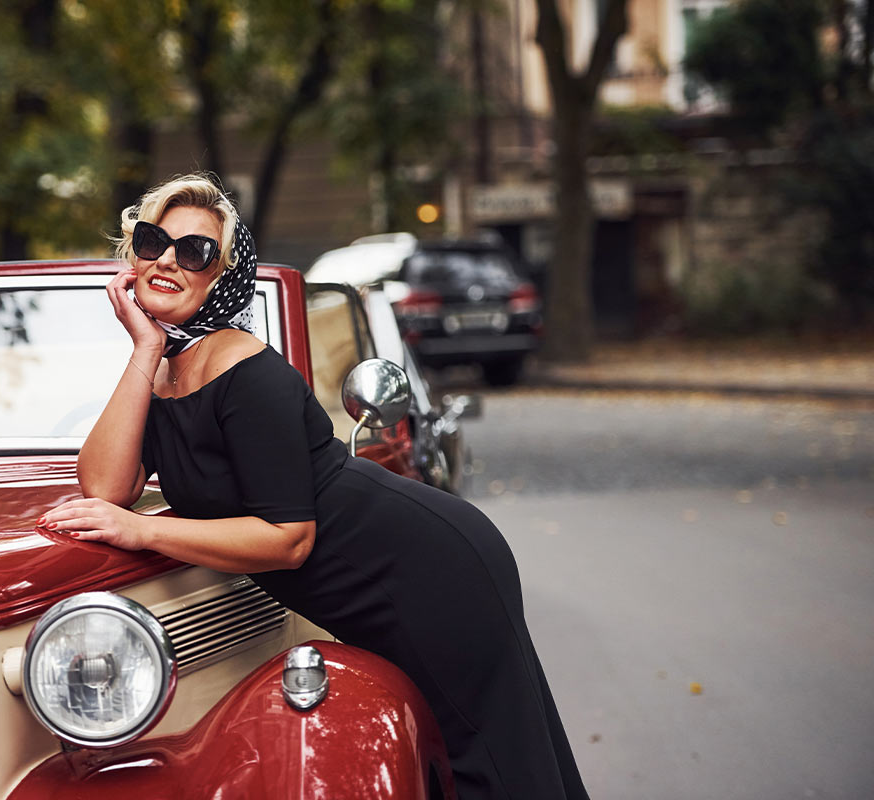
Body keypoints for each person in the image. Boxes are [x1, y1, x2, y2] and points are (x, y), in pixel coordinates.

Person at [38, 174, 588, 799]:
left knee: (484, 764)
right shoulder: (165, 367)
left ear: (222, 276)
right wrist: (143, 346)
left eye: (194, 252)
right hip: (381, 575)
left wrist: (143, 529)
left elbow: (289, 539)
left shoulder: (247, 373)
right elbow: (105, 487)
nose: (167, 259)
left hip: (427, 570)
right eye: (152, 240)